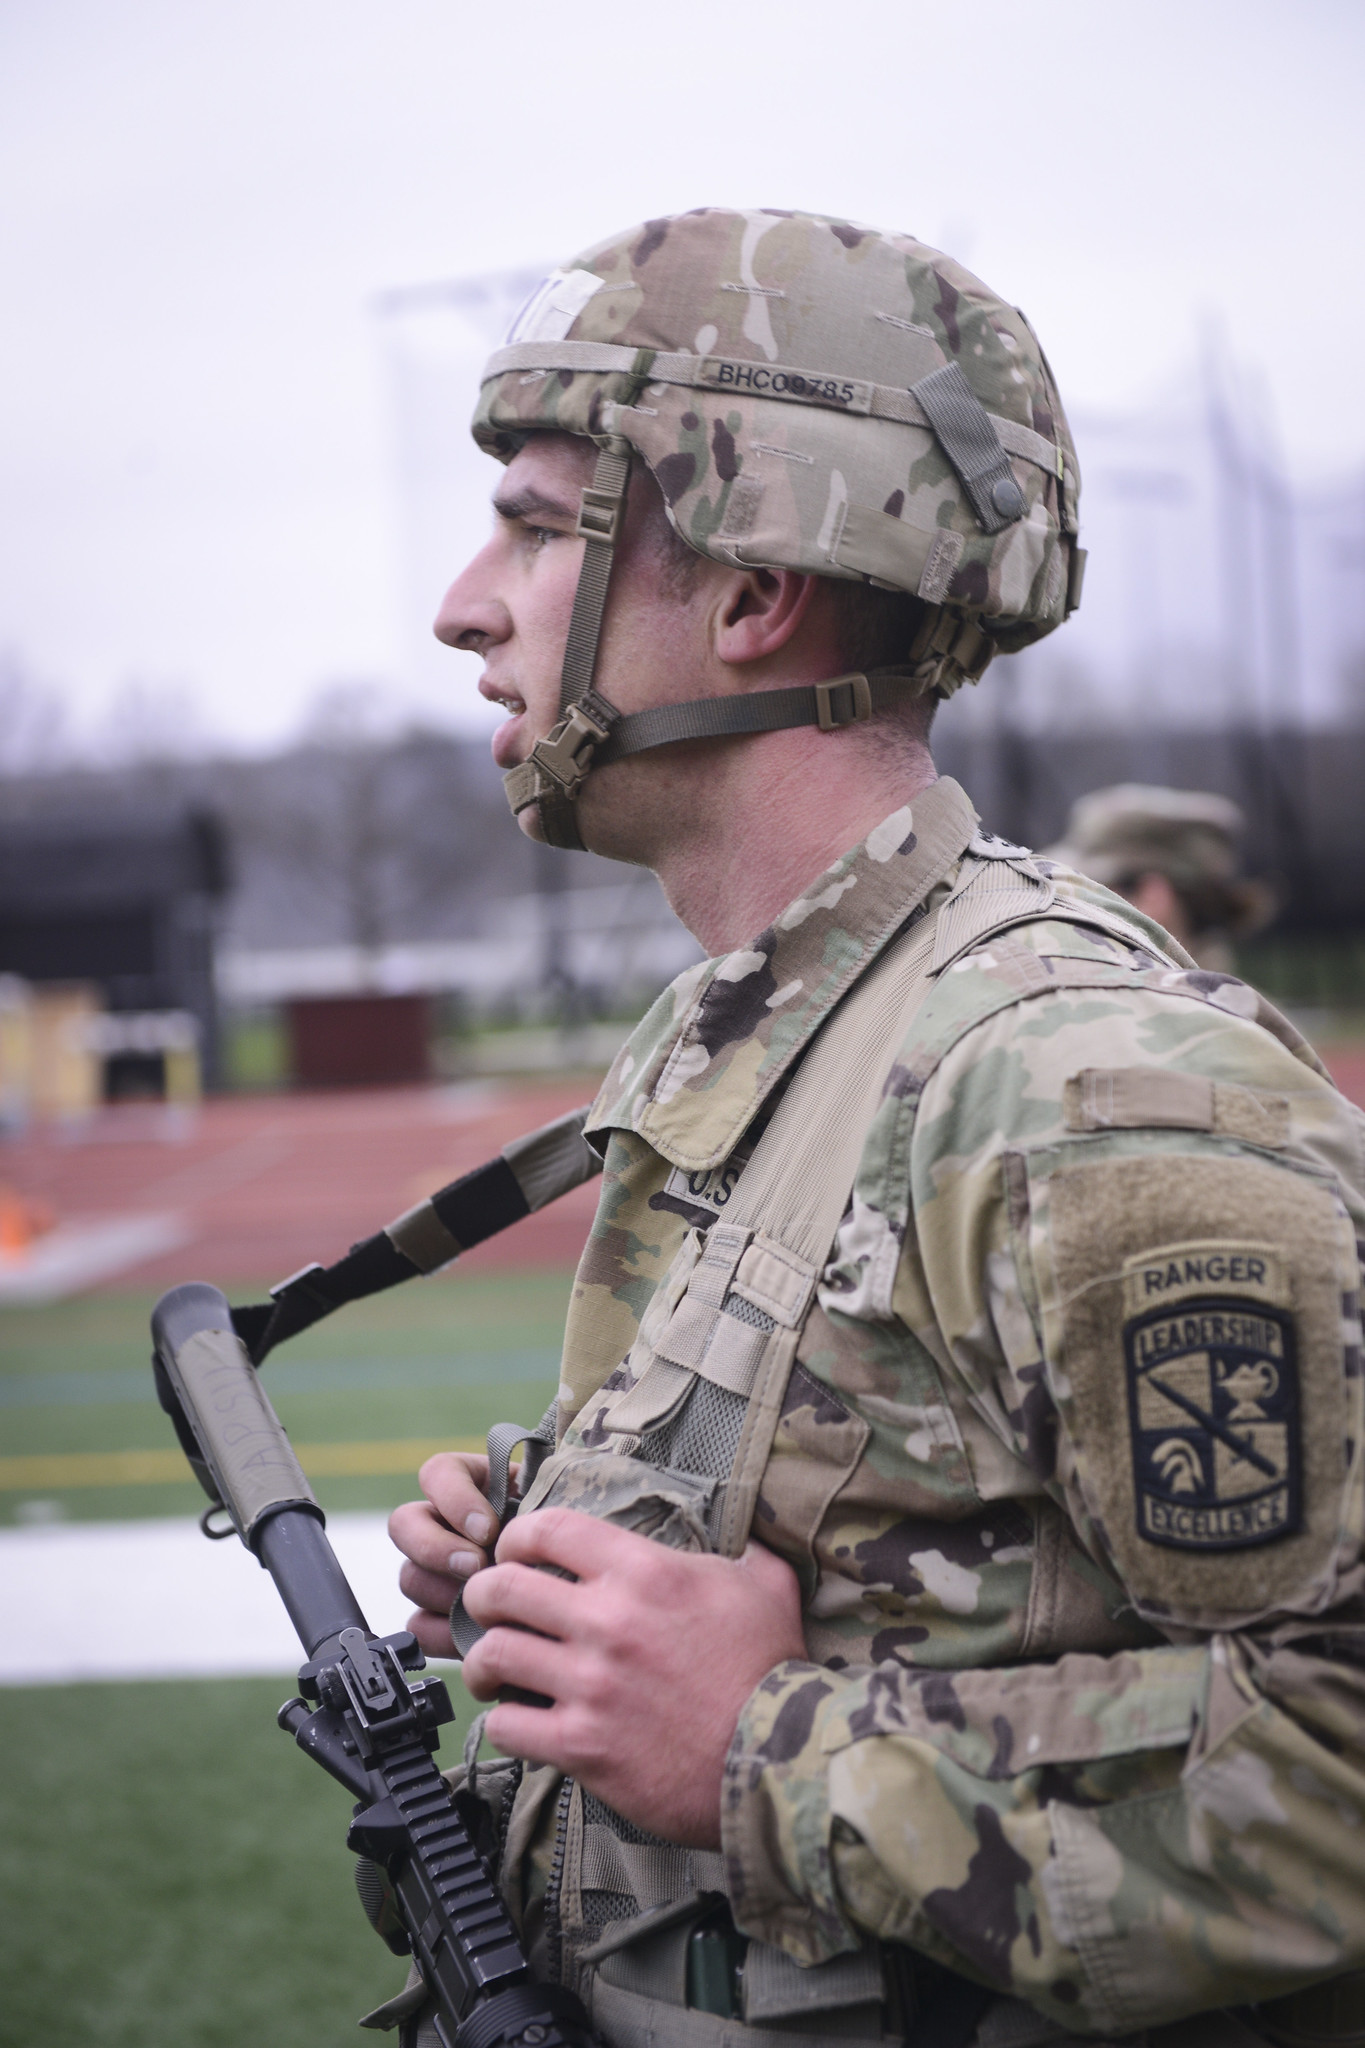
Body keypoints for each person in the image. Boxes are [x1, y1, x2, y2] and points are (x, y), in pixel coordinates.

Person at [388, 209, 1365, 2048]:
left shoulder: (1080, 1083)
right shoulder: (775, 1024)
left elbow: (1339, 1750)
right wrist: (568, 1536)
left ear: (761, 593)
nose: (464, 599)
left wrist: (765, 1746)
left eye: (536, 524)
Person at [1044, 784, 1276, 973]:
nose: (1073, 901)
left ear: (1153, 894)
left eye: (1090, 887)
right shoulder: (1249, 1016)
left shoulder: (1143, 1018)